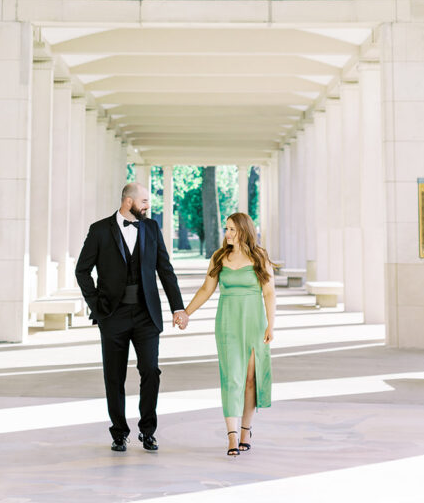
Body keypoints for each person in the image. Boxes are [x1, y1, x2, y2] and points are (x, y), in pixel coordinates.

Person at [75, 182, 189, 453]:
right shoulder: (99, 230)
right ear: (129, 202)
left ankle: (148, 431)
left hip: (146, 314)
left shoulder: (151, 228)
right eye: (144, 201)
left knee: (151, 370)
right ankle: (119, 433)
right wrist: (97, 306)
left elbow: (165, 269)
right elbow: (82, 270)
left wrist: (178, 307)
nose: (148, 206)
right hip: (112, 315)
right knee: (114, 376)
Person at [177, 212, 275, 456]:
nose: (227, 233)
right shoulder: (219, 257)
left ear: (244, 230)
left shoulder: (259, 256)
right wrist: (186, 313)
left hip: (254, 323)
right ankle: (231, 436)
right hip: (228, 323)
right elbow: (206, 289)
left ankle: (245, 431)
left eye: (232, 229)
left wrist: (270, 325)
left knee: (250, 380)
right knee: (232, 378)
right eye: (226, 229)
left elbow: (269, 293)